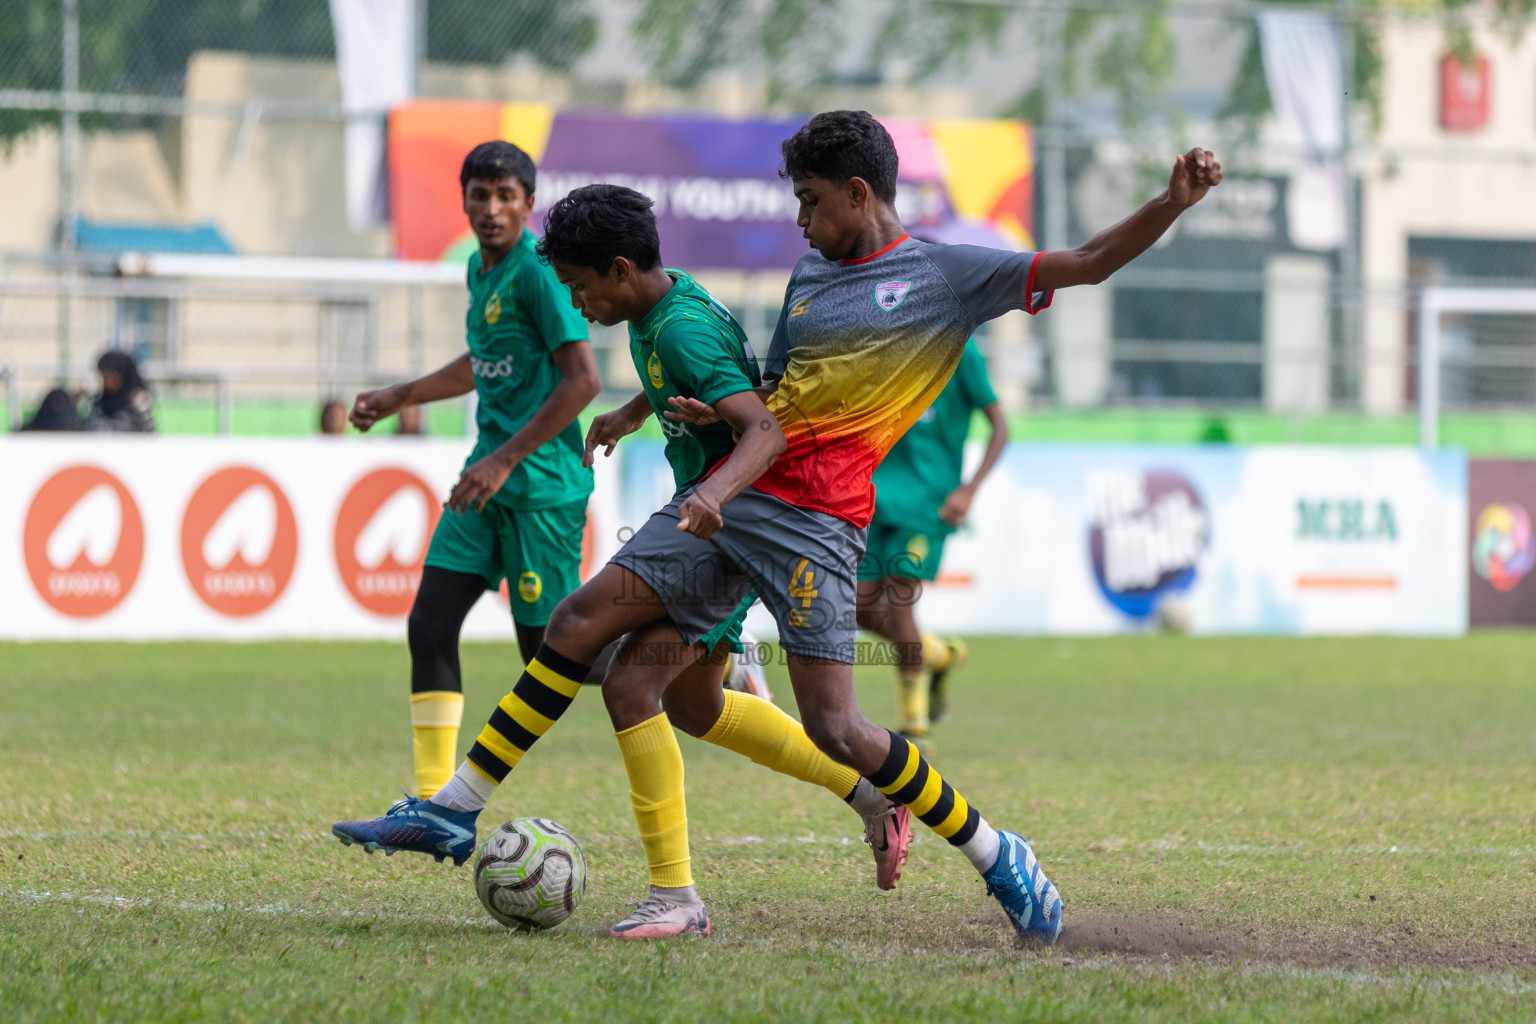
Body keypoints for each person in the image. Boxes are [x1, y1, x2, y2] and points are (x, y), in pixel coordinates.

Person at [335, 111, 1221, 945]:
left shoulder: (949, 277)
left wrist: (1170, 205)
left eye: (809, 200)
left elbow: (1092, 259)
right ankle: (457, 809)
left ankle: (997, 851)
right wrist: (651, 408)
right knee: (584, 634)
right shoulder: (810, 276)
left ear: (858, 194)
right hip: (736, 499)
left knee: (839, 727)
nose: (799, 219)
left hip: (817, 528)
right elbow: (768, 391)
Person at [336, 185, 912, 936]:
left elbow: (758, 426)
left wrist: (708, 499)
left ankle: (461, 810)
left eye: (579, 287)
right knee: (686, 704)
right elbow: (708, 377)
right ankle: (868, 800)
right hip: (719, 528)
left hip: (725, 528)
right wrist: (634, 410)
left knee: (580, 628)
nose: (576, 303)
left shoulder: (675, 330)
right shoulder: (666, 306)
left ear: (618, 269)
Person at [345, 140, 601, 800]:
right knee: (429, 624)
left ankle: (713, 666)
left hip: (538, 485)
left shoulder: (539, 274)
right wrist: (400, 395)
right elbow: (481, 360)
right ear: (463, 200)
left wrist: (505, 456)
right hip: (485, 481)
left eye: (505, 196)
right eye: (479, 195)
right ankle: (433, 801)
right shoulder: (479, 271)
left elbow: (583, 381)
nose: (490, 209)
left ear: (528, 205)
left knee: (552, 657)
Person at [856, 337, 1007, 746]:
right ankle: (938, 654)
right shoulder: (887, 342)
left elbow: (1000, 426)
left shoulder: (963, 349)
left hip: (929, 505)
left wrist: (969, 490)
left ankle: (913, 725)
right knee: (857, 607)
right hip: (876, 497)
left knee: (899, 597)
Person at [84, 350, 155, 432]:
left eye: (110, 374)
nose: (106, 379)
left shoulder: (135, 402)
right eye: (103, 374)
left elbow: (150, 434)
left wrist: (141, 409)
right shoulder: (98, 403)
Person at [20, 387, 84, 432]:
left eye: (60, 402)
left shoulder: (77, 431)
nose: (58, 405)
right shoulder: (31, 431)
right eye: (56, 402)